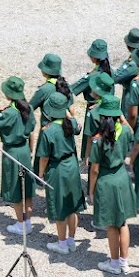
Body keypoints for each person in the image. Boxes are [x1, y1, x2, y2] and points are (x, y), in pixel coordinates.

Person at [0, 77, 38, 235]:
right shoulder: (27, 108)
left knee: (15, 188)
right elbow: (31, 130)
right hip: (24, 151)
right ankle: (27, 221)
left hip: (12, 152)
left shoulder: (9, 113)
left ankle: (21, 224)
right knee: (26, 188)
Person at [88, 97, 136, 275]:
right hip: (122, 177)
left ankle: (114, 262)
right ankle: (124, 261)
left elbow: (94, 169)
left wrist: (91, 191)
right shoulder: (125, 130)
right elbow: (131, 130)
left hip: (107, 180)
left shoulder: (99, 139)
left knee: (111, 224)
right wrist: (121, 117)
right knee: (122, 222)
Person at [35, 91, 83, 255]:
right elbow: (78, 126)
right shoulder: (71, 123)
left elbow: (44, 157)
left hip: (58, 168)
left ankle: (62, 243)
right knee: (72, 206)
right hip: (72, 165)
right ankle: (71, 240)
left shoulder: (48, 131)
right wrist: (68, 114)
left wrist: (40, 174)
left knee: (60, 206)